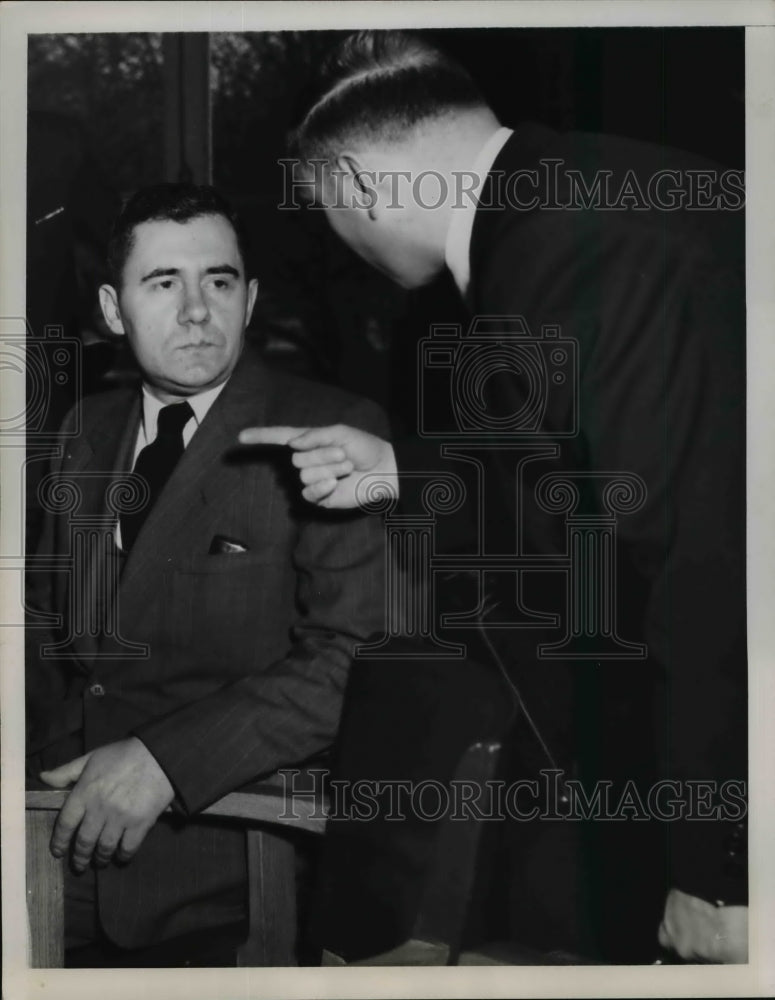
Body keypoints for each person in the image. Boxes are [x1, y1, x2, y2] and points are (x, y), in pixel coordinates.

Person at [240, 31, 747, 963]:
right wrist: (400, 472)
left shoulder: (566, 253)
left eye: (322, 213)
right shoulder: (576, 196)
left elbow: (703, 563)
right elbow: (598, 492)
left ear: (353, 183)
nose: (336, 243)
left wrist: (724, 869)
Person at [25, 182, 387, 966]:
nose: (197, 311)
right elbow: (40, 631)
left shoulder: (331, 432)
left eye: (218, 281)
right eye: (164, 283)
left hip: (229, 866)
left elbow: (352, 656)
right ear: (112, 311)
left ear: (249, 299)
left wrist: (165, 761)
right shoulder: (83, 433)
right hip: (45, 843)